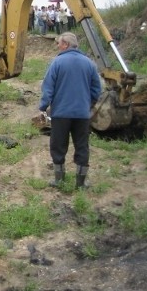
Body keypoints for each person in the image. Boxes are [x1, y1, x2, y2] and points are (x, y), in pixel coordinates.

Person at [39, 32, 102, 189]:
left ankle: (59, 180)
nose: (58, 46)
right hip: (82, 114)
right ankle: (81, 183)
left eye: (59, 43)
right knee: (82, 145)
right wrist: (89, 104)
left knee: (58, 145)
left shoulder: (57, 63)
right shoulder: (89, 63)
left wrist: (43, 107)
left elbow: (48, 87)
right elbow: (96, 88)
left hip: (61, 114)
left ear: (65, 44)